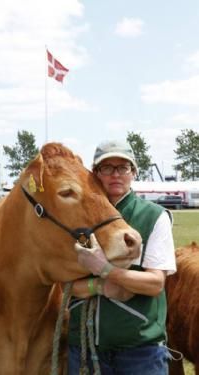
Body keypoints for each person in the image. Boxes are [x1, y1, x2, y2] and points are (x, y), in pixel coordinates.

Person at [67, 140, 177, 375]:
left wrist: (105, 270)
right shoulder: (78, 221)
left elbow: (155, 284)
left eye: (123, 168)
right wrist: (100, 285)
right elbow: (66, 284)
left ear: (134, 172)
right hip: (85, 349)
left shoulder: (154, 217)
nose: (115, 174)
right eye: (107, 168)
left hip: (140, 353)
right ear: (95, 174)